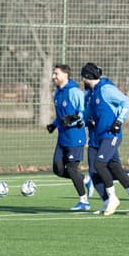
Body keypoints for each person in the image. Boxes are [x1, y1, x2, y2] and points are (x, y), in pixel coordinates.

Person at [81, 62, 129, 216]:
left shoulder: (106, 89)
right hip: (97, 137)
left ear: (87, 77)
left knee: (100, 164)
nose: (82, 81)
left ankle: (113, 198)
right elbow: (87, 113)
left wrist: (119, 121)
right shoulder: (93, 92)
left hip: (110, 135)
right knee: (109, 168)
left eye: (83, 77)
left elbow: (127, 103)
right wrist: (76, 121)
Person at [46, 64, 92, 211]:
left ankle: (84, 201)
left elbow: (84, 111)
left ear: (65, 75)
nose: (54, 76)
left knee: (72, 169)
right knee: (58, 169)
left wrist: (76, 119)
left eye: (56, 74)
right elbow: (61, 115)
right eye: (54, 74)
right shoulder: (58, 93)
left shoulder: (74, 91)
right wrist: (54, 124)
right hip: (62, 137)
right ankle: (85, 179)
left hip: (75, 137)